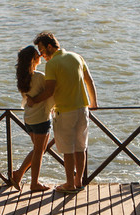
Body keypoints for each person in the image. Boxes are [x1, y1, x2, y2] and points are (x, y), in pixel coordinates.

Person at [25, 31, 97, 193]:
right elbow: (89, 80)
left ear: (50, 46)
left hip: (64, 111)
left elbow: (49, 91)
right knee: (80, 147)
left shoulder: (52, 64)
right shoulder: (76, 57)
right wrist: (94, 102)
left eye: (42, 51)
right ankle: (78, 181)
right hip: (83, 109)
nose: (42, 55)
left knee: (68, 149)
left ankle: (69, 184)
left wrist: (34, 100)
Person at [10, 45, 53, 191]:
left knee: (37, 150)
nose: (40, 56)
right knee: (39, 152)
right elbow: (50, 93)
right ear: (33, 60)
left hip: (29, 119)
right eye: (37, 55)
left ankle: (18, 173)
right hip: (41, 119)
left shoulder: (22, 79)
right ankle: (34, 183)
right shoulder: (40, 77)